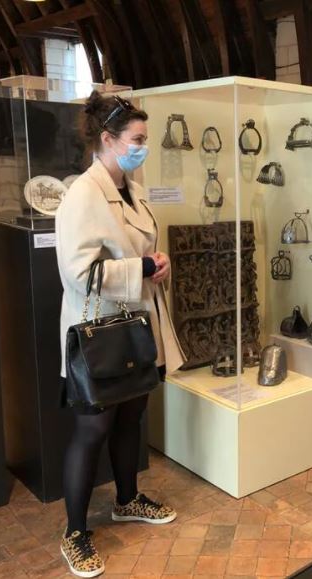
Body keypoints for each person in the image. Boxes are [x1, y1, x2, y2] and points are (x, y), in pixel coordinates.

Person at [55, 92, 185, 578]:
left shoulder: (131, 186)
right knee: (92, 429)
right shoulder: (83, 195)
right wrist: (141, 267)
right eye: (137, 140)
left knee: (132, 415)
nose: (142, 147)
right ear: (107, 140)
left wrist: (157, 265)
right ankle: (74, 532)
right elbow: (76, 273)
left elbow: (140, 248)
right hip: (99, 332)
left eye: (144, 140)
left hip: (134, 325)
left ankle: (127, 500)